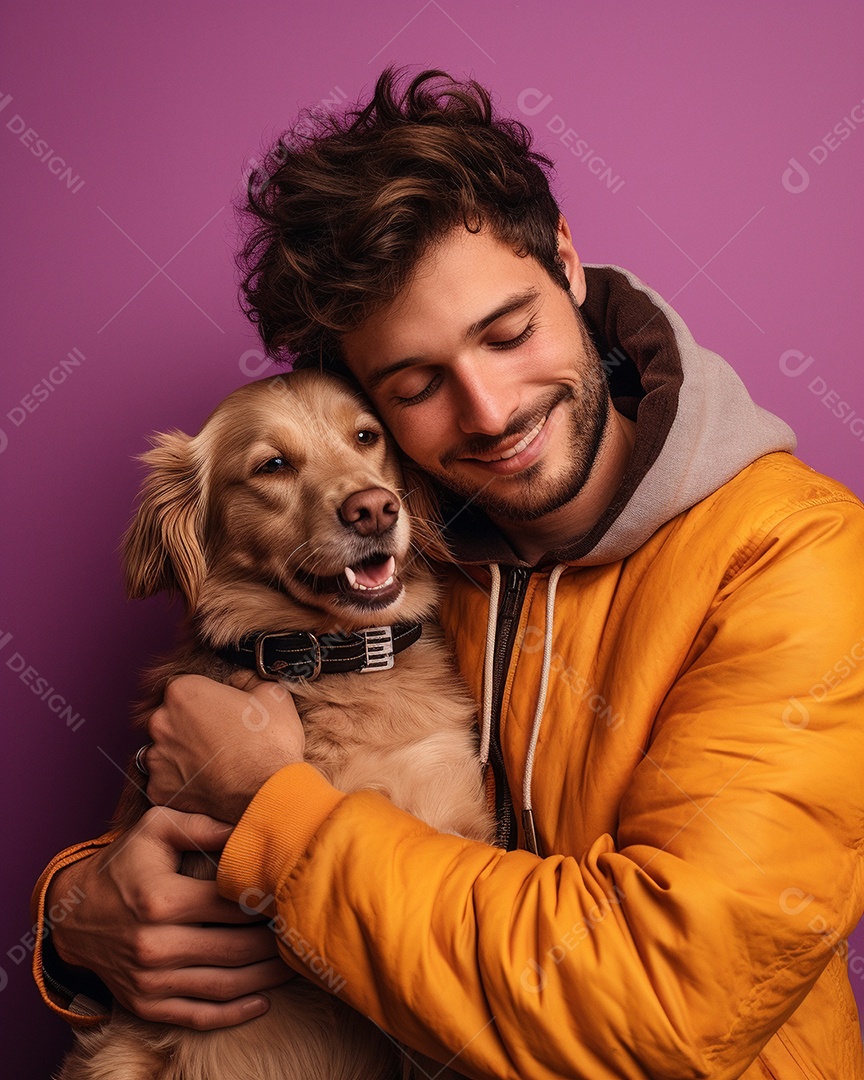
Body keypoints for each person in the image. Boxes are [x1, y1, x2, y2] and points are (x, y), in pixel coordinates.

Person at [33, 68, 864, 1079]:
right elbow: (163, 845)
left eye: (507, 333)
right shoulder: (398, 563)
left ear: (566, 261)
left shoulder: (798, 559)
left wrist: (277, 809)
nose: (488, 411)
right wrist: (79, 914)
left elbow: (670, 1002)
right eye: (417, 384)